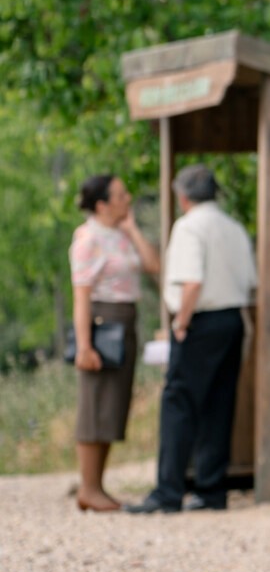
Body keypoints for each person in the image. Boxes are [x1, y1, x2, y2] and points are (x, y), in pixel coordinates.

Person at [125, 164, 257, 514]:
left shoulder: (188, 227)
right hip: (233, 319)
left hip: (200, 320)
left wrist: (180, 323)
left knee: (179, 404)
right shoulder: (235, 228)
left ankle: (168, 491)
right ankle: (212, 490)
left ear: (182, 197)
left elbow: (191, 282)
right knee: (219, 403)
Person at [68, 174, 161, 512]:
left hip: (126, 320)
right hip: (102, 321)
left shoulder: (120, 235)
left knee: (112, 403)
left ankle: (97, 486)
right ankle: (88, 487)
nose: (128, 198)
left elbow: (153, 265)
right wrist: (84, 345)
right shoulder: (88, 238)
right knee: (95, 402)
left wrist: (133, 229)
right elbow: (81, 296)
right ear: (102, 204)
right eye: (121, 195)